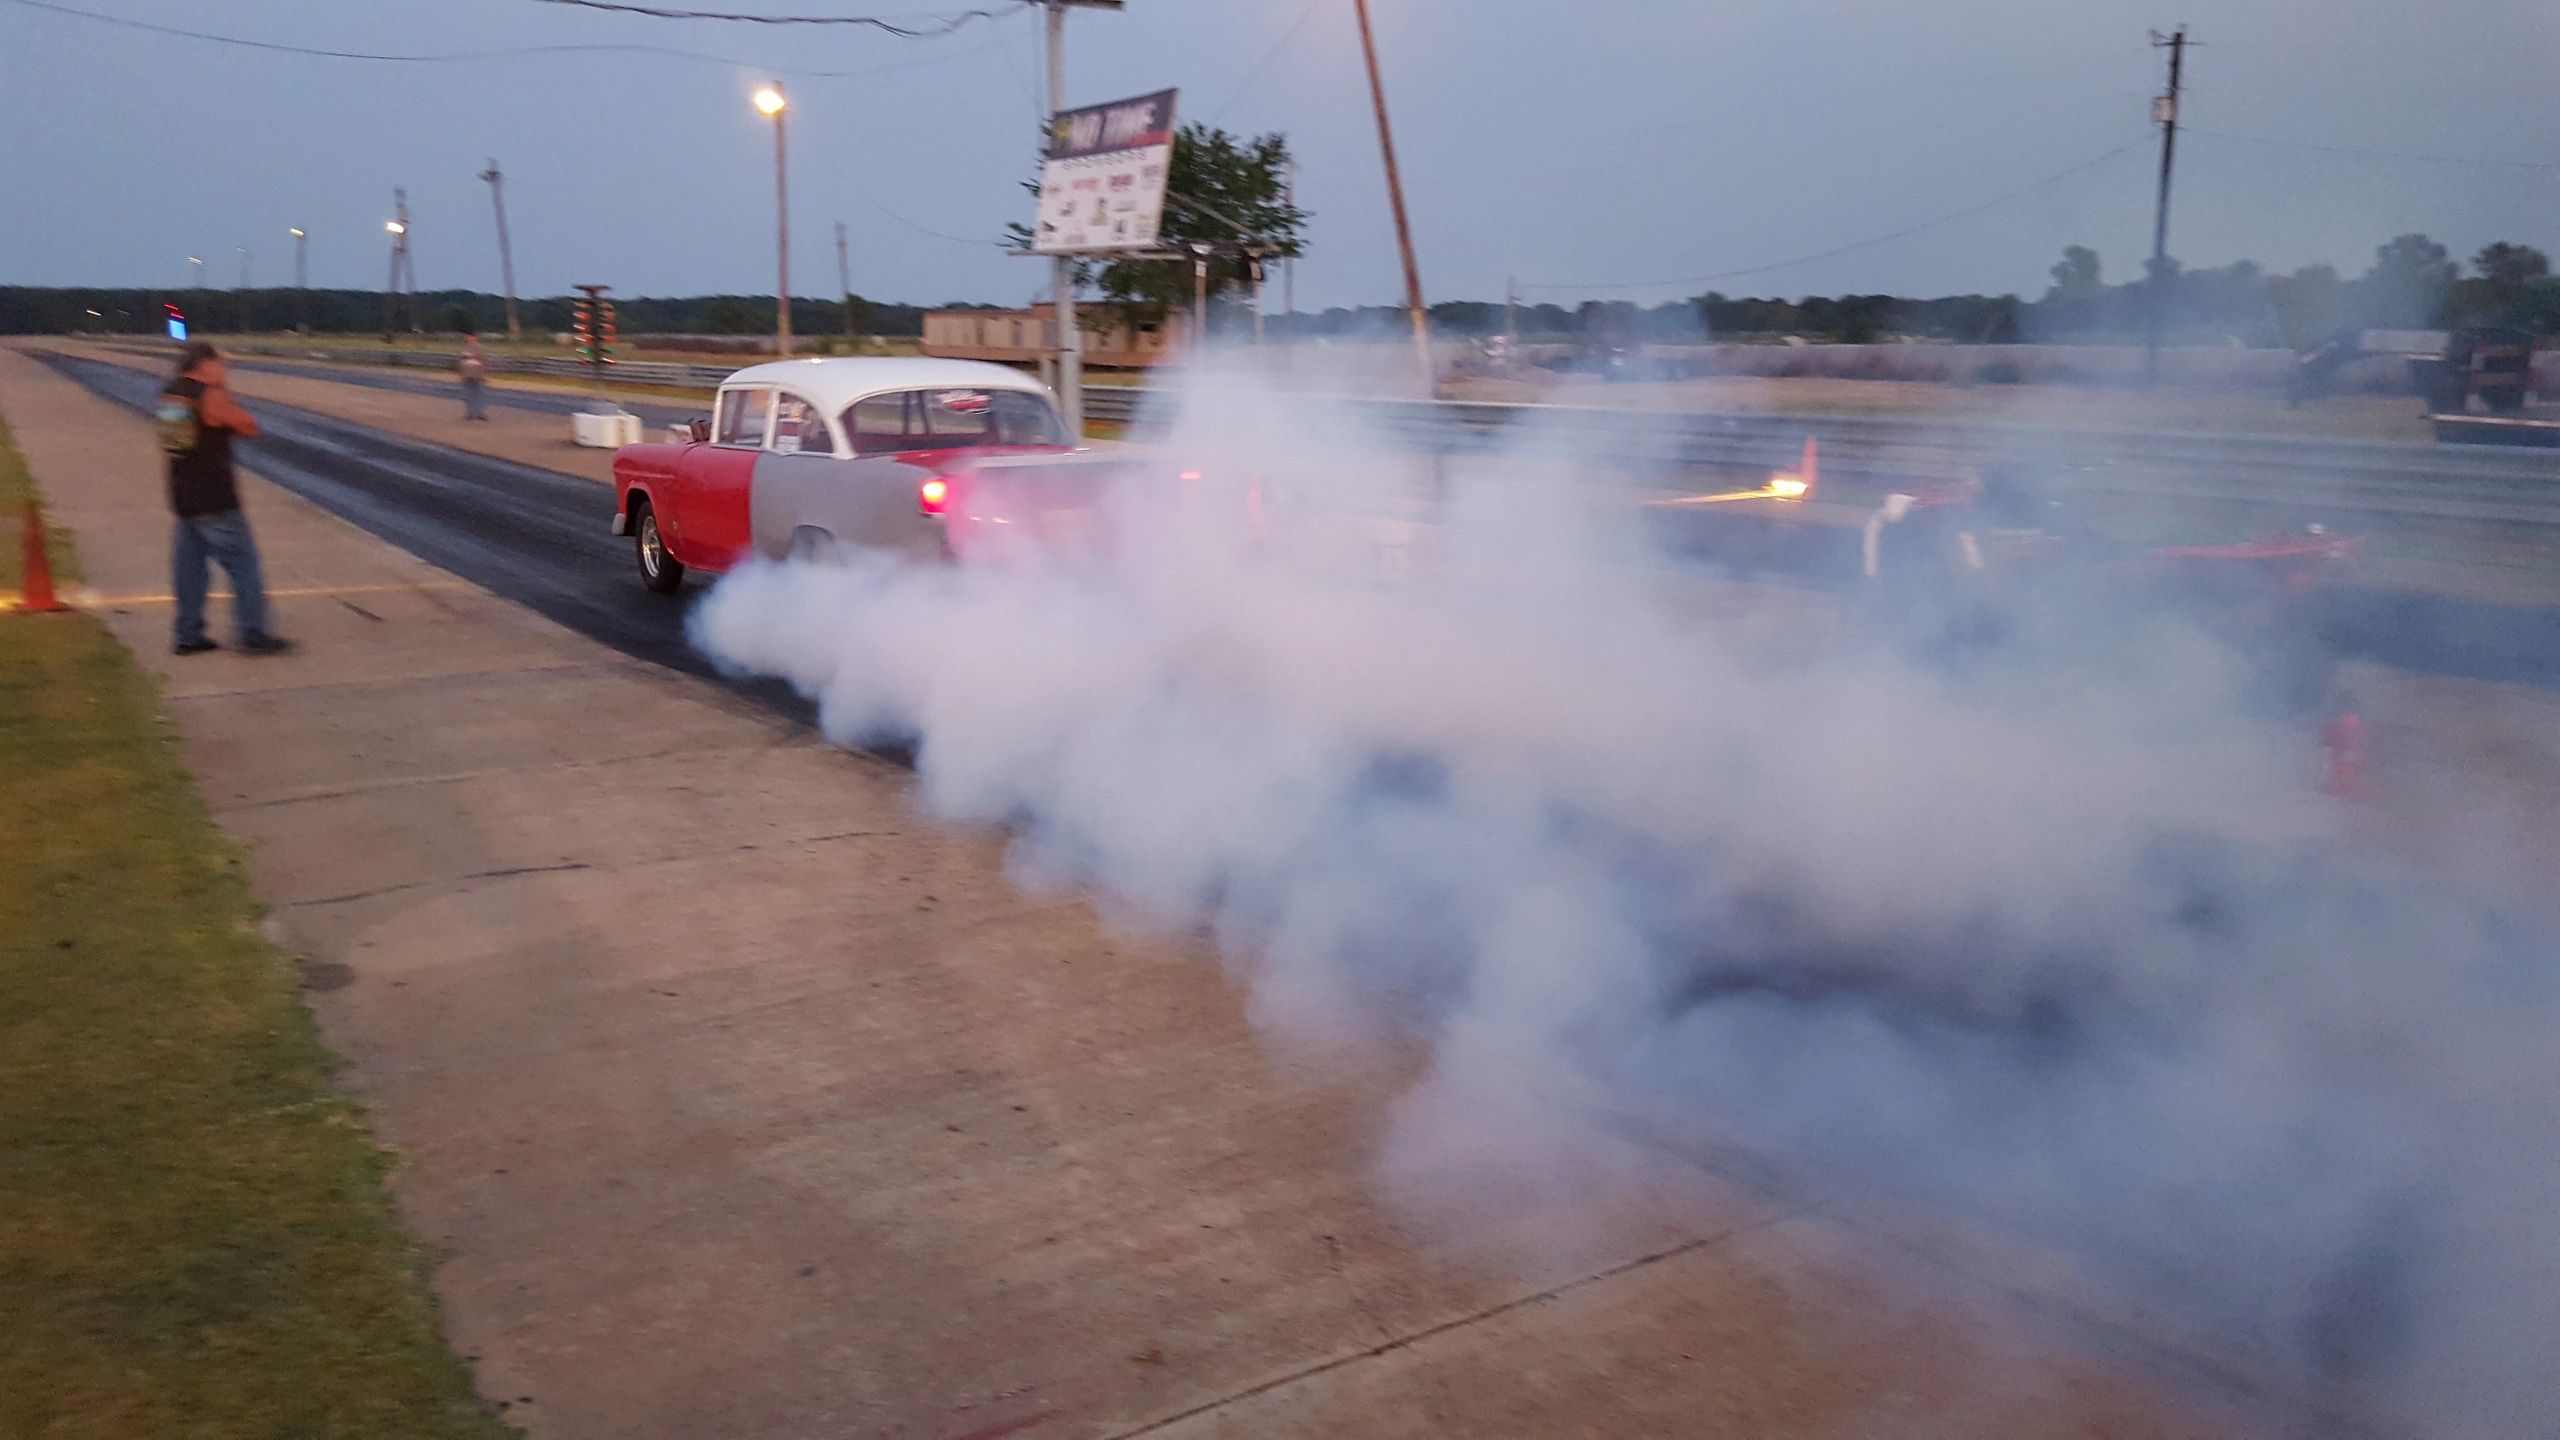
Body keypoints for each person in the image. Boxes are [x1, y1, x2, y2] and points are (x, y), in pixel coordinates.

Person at [157, 341, 291, 656]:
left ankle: (188, 635)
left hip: (183, 495)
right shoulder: (211, 396)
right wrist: (224, 394)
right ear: (206, 365)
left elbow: (173, 443)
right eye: (221, 365)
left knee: (189, 569)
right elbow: (248, 426)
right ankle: (253, 632)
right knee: (244, 565)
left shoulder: (172, 393)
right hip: (216, 499)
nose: (225, 370)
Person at [458, 334, 490, 421]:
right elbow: (460, 362)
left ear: (475, 337)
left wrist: (484, 374)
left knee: (479, 395)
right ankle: (470, 413)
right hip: (467, 375)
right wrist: (461, 374)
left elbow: (484, 362)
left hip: (478, 375)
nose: (470, 338)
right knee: (468, 395)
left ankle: (480, 413)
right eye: (468, 336)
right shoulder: (464, 349)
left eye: (471, 336)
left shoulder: (480, 348)